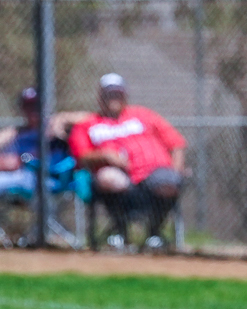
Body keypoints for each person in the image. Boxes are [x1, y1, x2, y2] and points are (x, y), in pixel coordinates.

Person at [68, 73, 186, 249]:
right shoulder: (88, 124)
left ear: (125, 96)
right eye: (109, 94)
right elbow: (81, 155)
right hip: (120, 181)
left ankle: (154, 234)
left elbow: (177, 143)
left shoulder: (143, 115)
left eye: (117, 94)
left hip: (154, 175)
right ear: (100, 97)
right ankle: (121, 233)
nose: (113, 98)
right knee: (108, 178)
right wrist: (105, 156)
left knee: (169, 181)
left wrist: (176, 171)